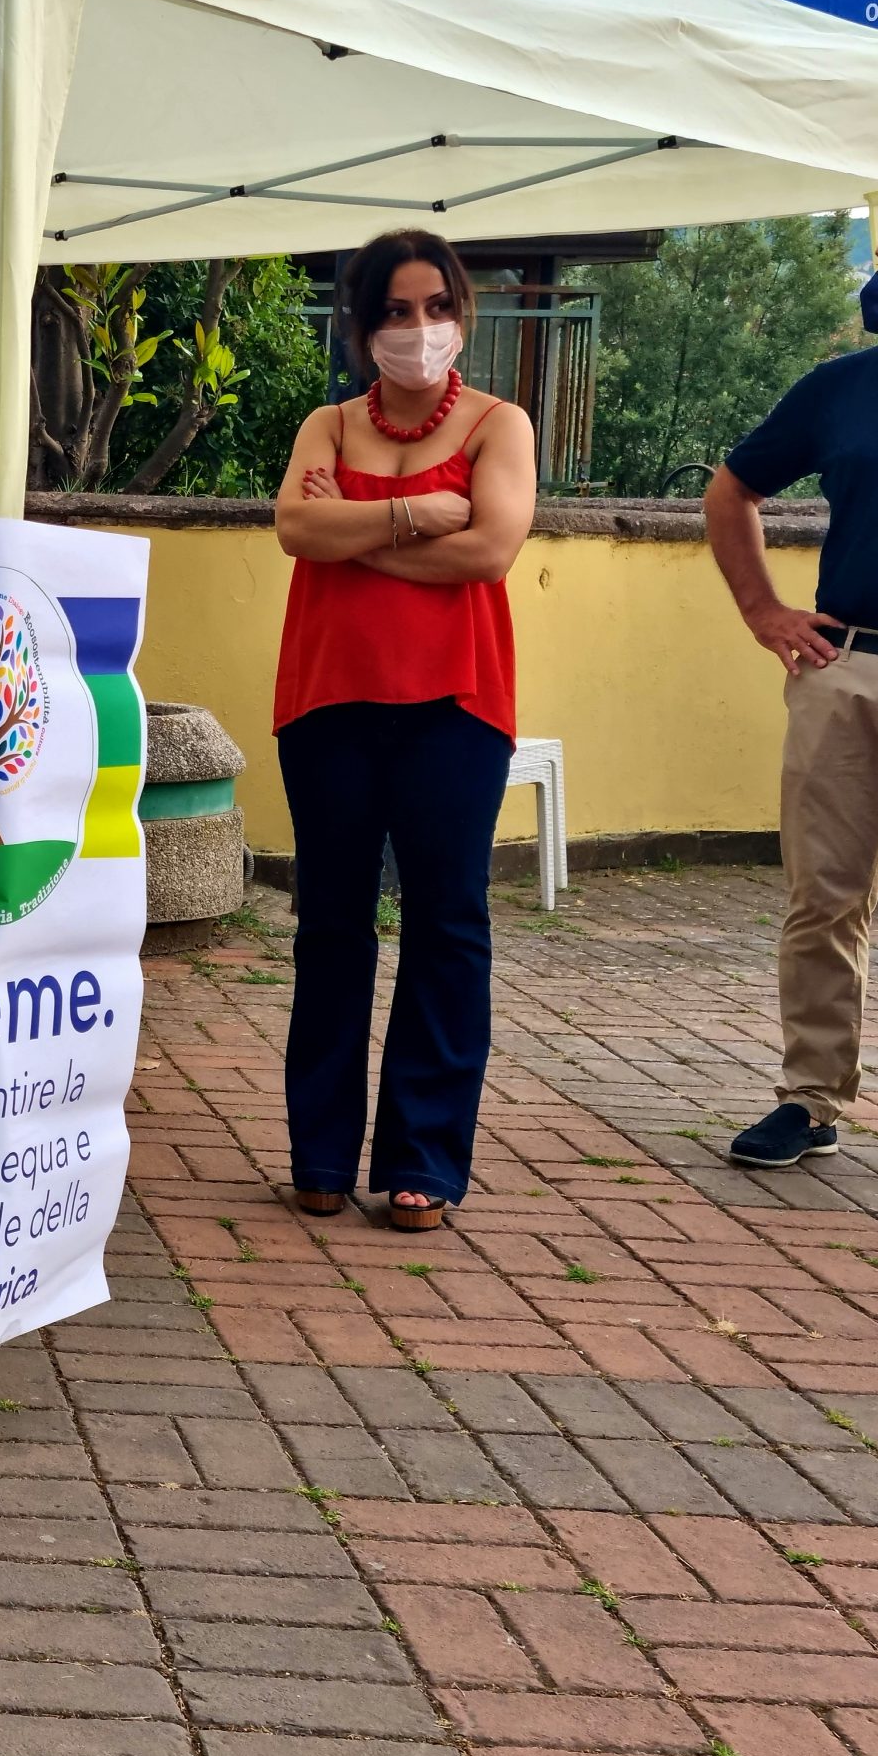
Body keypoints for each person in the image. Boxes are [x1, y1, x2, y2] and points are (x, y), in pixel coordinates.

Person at [270, 228, 536, 1232]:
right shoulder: (329, 423)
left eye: (432, 306)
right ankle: (321, 1156)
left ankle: (423, 1159)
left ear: (460, 311)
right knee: (330, 924)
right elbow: (295, 529)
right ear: (360, 322)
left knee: (445, 926)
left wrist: (362, 532)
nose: (414, 329)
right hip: (329, 700)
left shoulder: (496, 424)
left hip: (456, 708)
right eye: (391, 310)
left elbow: (488, 553)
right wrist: (420, 512)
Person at [706, 212, 878, 1171]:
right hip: (847, 669)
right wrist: (763, 611)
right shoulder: (842, 389)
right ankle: (810, 1100)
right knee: (825, 895)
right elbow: (732, 488)